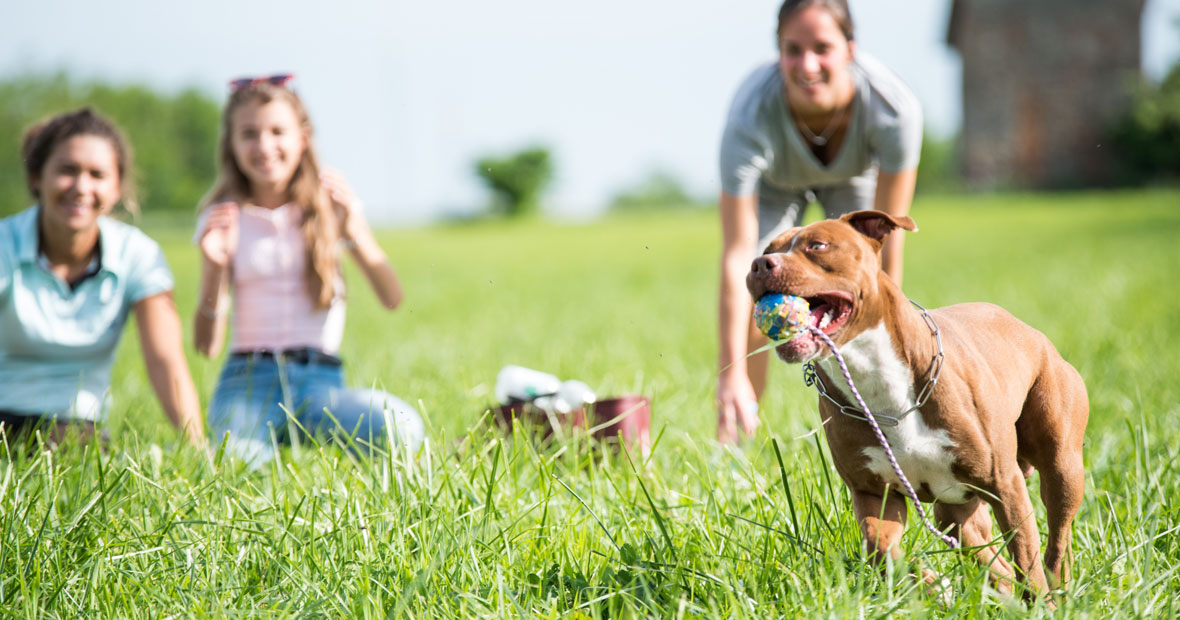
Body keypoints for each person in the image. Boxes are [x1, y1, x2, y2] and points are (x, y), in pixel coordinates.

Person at [716, 0, 923, 442]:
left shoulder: (893, 110)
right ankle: (740, 437)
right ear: (778, 52)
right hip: (776, 185)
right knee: (766, 281)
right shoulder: (748, 116)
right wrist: (728, 371)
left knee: (857, 297)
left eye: (822, 48)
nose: (807, 64)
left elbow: (886, 252)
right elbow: (738, 256)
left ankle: (881, 430)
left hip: (853, 180)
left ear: (850, 49)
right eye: (793, 50)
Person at [193, 74, 424, 466]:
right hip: (246, 382)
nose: (265, 146)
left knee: (401, 427)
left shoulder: (330, 208)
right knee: (241, 465)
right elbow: (206, 345)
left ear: (303, 137)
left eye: (277, 131)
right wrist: (215, 270)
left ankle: (298, 437)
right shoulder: (223, 218)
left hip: (321, 384)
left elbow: (392, 297)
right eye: (249, 134)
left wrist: (354, 232)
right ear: (231, 145)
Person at [0, 108, 205, 447]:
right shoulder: (5, 242)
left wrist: (197, 447)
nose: (81, 187)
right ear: (37, 176)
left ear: (117, 188)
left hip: (78, 431)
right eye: (67, 170)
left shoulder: (138, 254)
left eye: (97, 174)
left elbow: (165, 360)